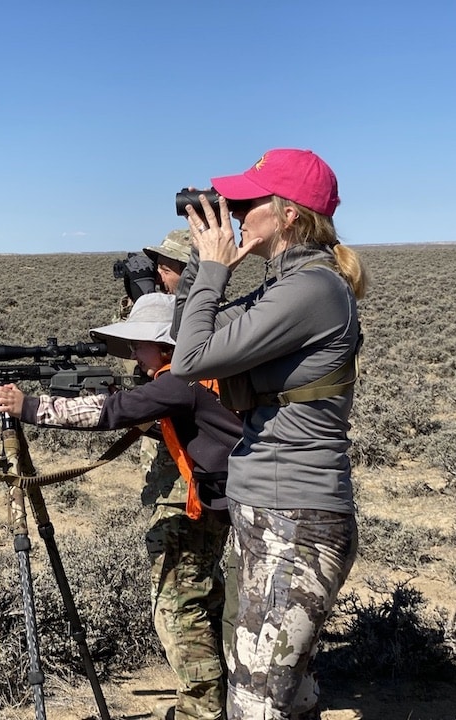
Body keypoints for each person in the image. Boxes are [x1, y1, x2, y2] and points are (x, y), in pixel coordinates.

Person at [171, 148, 367, 719]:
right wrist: (204, 269)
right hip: (272, 511)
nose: (233, 214)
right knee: (287, 695)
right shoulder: (285, 289)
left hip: (297, 519)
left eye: (245, 203)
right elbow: (191, 332)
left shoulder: (313, 290)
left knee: (258, 704)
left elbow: (191, 360)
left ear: (288, 215)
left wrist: (215, 268)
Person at [0, 292, 243, 720]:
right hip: (224, 501)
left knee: (178, 606)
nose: (134, 354)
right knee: (201, 595)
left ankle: (201, 710)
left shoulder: (179, 380)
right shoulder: (205, 375)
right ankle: (218, 697)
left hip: (205, 505)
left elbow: (113, 411)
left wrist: (29, 406)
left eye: (140, 344)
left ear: (166, 346)